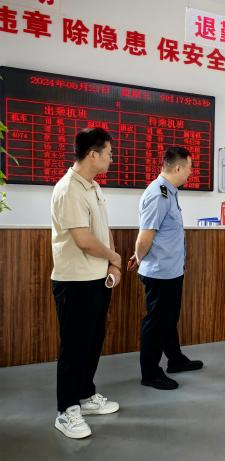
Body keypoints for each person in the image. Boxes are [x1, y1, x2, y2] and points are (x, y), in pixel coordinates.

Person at [50, 127, 121, 439]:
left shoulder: (93, 187)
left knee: (92, 341)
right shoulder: (69, 189)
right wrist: (114, 257)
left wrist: (112, 263)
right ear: (93, 154)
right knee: (74, 346)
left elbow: (103, 230)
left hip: (96, 279)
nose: (111, 158)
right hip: (75, 283)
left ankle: (85, 395)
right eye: (108, 153)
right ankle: (66, 411)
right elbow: (83, 239)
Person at [128, 147, 203, 390]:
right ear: (178, 168)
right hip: (160, 273)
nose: (191, 172)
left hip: (171, 270)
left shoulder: (169, 192)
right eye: (189, 168)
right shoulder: (159, 194)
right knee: (157, 323)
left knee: (169, 319)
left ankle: (175, 360)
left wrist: (140, 255)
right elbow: (144, 237)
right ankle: (150, 373)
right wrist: (140, 258)